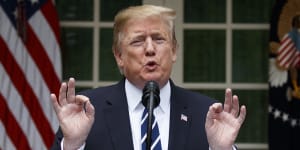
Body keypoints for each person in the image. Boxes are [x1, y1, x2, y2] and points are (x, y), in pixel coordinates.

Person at [50, 4, 246, 150]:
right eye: (138, 41)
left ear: (174, 50)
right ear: (119, 56)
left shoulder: (207, 113)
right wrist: (73, 144)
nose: (150, 49)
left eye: (159, 39)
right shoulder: (88, 112)